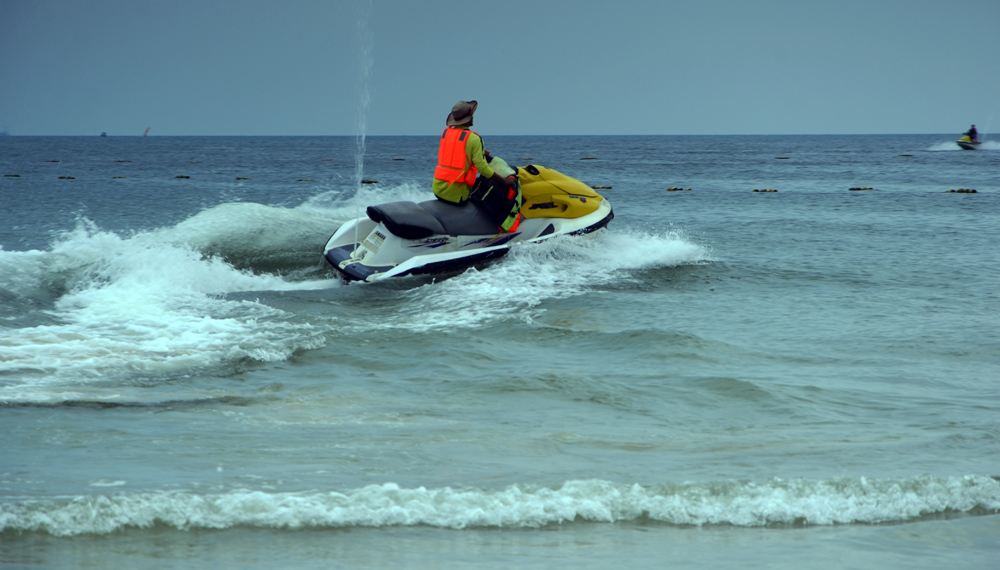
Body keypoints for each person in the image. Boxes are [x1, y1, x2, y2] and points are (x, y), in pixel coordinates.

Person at [433, 101, 521, 231]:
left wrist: (479, 154)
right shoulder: (474, 139)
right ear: (470, 118)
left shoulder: (446, 133)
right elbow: (483, 168)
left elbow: (456, 154)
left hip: (439, 189)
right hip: (456, 195)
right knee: (491, 196)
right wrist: (504, 180)